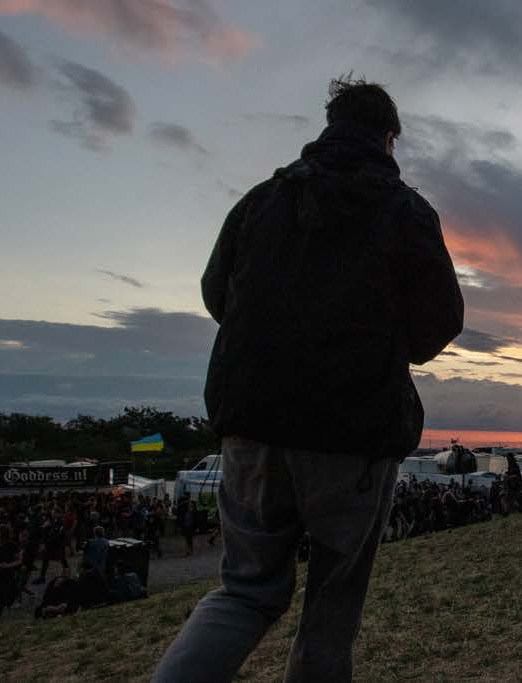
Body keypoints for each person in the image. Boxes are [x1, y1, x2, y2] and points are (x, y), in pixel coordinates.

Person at [154, 76, 463, 683]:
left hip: (253, 423)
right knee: (331, 606)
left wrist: (273, 350)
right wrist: (391, 350)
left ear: (327, 126)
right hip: (355, 433)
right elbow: (441, 319)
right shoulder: (404, 211)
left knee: (245, 591)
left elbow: (218, 294)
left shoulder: (261, 201)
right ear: (389, 138)